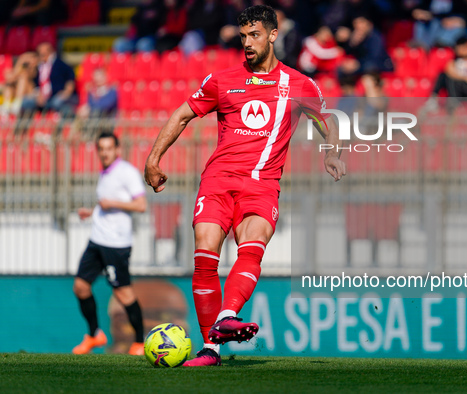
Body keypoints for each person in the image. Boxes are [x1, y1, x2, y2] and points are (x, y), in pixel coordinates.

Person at [144, 4, 346, 367]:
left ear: (272, 34)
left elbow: (328, 120)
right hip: (218, 180)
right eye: (243, 37)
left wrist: (331, 153)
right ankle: (211, 349)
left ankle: (225, 319)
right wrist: (153, 158)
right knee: (205, 256)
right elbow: (183, 114)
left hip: (263, 184)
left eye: (254, 35)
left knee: (251, 249)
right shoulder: (221, 80)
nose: (248, 43)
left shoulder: (299, 84)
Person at [72, 132, 148, 356]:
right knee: (80, 286)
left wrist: (111, 203)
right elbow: (106, 206)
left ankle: (139, 343)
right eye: (101, 148)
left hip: (116, 244)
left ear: (117, 150)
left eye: (108, 148)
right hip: (97, 240)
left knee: (124, 294)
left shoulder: (127, 172)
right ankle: (95, 334)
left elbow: (141, 205)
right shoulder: (105, 173)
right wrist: (93, 211)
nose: (104, 152)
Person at [20, 42, 77, 115]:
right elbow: (35, 84)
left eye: (43, 53)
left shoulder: (61, 65)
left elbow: (70, 80)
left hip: (56, 96)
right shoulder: (38, 67)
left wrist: (65, 93)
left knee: (57, 103)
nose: (41, 55)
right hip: (42, 99)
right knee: (26, 102)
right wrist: (38, 94)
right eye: (39, 53)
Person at [1, 51, 37, 121]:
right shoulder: (21, 66)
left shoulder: (35, 68)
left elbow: (31, 75)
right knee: (9, 87)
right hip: (18, 92)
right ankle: (6, 108)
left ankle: (17, 103)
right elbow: (10, 79)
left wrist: (21, 64)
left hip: (29, 92)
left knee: (23, 78)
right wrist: (20, 63)